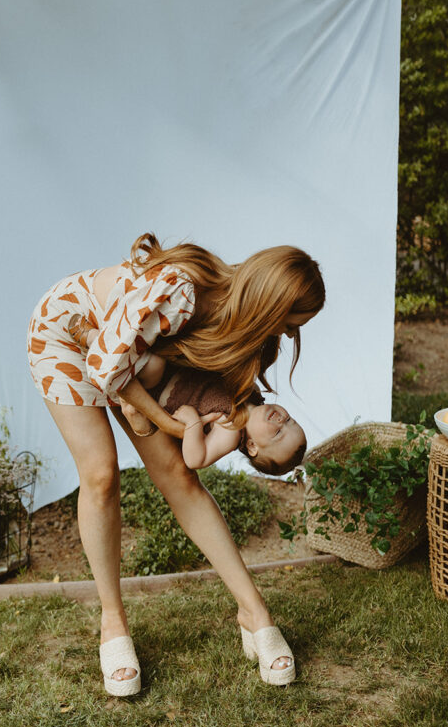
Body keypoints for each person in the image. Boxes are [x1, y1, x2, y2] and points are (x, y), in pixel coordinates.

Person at [27, 232, 324, 695]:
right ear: (270, 303)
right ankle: (113, 623)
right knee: (101, 475)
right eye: (290, 322)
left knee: (179, 478)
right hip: (67, 334)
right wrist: (165, 422)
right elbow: (106, 366)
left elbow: (141, 376)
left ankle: (254, 612)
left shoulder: (243, 335)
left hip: (121, 357)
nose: (289, 335)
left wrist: (164, 422)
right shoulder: (181, 290)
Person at [70, 328, 308, 475]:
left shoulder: (232, 431)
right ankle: (107, 339)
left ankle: (94, 340)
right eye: (290, 420)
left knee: (152, 365)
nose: (281, 421)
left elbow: (196, 459)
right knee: (153, 354)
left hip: (161, 389)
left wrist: (194, 422)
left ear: (253, 447)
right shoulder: (252, 393)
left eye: (277, 433)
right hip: (177, 367)